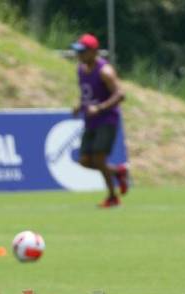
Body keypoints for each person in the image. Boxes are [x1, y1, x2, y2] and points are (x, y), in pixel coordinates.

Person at [71, 33, 129, 208]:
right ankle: (118, 172)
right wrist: (80, 106)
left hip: (107, 119)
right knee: (84, 161)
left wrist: (100, 108)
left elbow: (120, 95)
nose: (79, 55)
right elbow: (88, 93)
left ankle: (113, 197)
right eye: (78, 51)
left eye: (82, 51)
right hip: (91, 121)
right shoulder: (80, 69)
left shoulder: (105, 71)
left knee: (99, 159)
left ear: (93, 52)